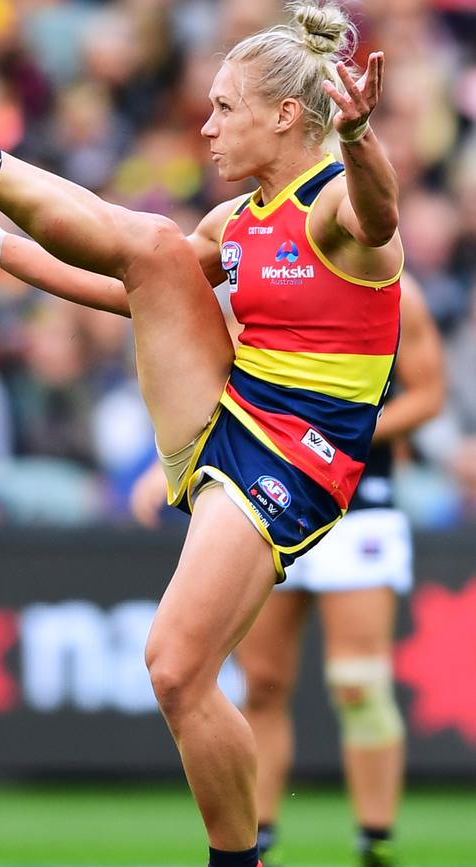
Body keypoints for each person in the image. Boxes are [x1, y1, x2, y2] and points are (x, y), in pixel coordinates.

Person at [0, 4, 403, 866]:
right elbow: (133, 285)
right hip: (226, 416)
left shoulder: (337, 201)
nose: (206, 126)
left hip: (294, 462)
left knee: (174, 669)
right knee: (159, 248)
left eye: (225, 107)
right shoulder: (236, 222)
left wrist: (358, 137)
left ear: (284, 114)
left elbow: (380, 218)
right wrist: (3, 248)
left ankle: (241, 856)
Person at [129, 273, 445, 867]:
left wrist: (328, 433)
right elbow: (212, 370)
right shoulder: (272, 275)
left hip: (358, 501)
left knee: (358, 682)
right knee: (264, 683)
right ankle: (259, 841)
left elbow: (428, 395)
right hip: (267, 489)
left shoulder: (398, 289)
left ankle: (374, 844)